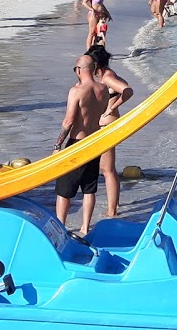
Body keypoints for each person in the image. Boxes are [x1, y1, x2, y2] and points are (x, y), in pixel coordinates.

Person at [55, 52, 113, 237]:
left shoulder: (77, 91)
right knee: (89, 187)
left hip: (77, 143)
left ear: (79, 70)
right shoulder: (103, 89)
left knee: (64, 190)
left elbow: (69, 120)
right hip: (94, 141)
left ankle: (60, 228)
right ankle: (85, 227)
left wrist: (58, 145)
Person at [88, 45, 134, 219]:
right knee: (105, 168)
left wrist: (112, 107)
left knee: (107, 169)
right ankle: (114, 205)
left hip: (107, 125)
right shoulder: (105, 75)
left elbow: (128, 91)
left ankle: (112, 211)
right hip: (104, 125)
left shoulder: (108, 77)